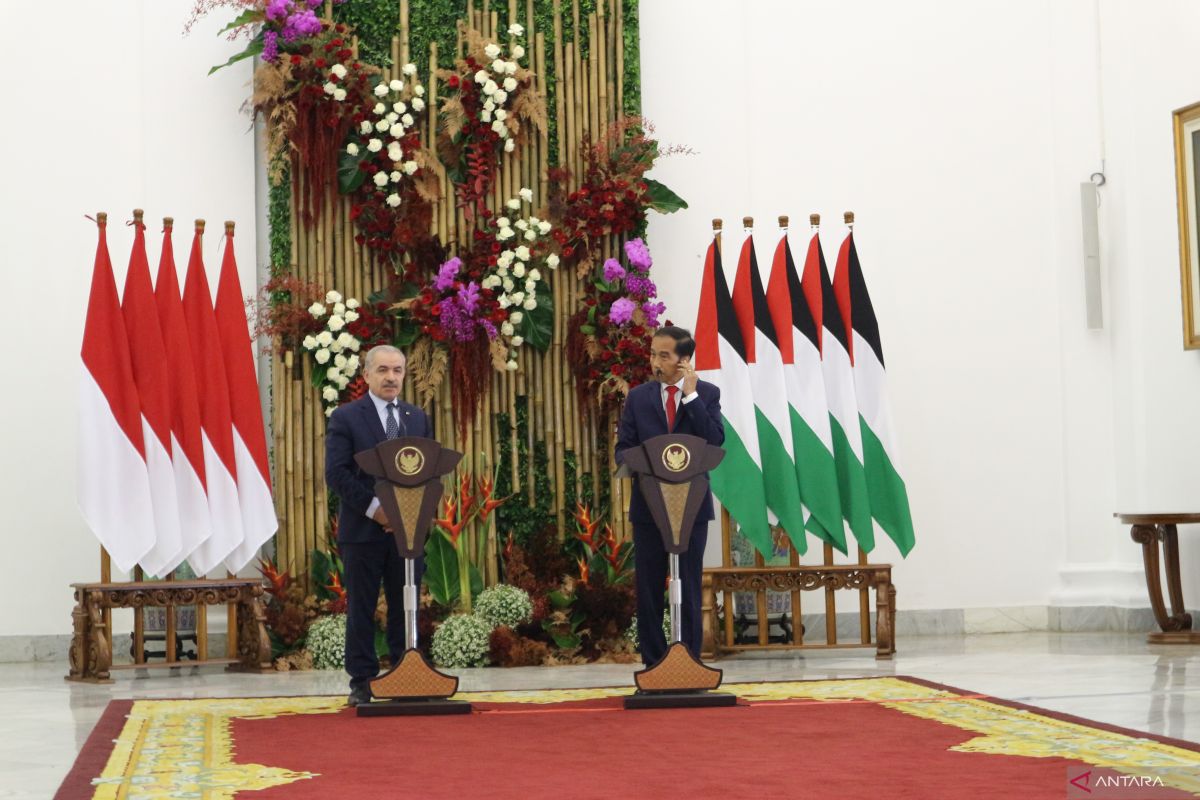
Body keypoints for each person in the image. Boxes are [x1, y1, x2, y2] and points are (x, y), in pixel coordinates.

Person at [325, 345, 432, 706]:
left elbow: (425, 469)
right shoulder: (346, 418)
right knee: (362, 606)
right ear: (366, 374)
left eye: (398, 371)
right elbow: (336, 473)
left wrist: (412, 512)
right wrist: (378, 510)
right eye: (383, 370)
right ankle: (363, 680)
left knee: (407, 603)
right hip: (363, 531)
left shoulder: (416, 418)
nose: (391, 377)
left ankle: (406, 673)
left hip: (407, 533)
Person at [615, 325, 724, 665]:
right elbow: (623, 452)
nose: (655, 362)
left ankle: (689, 662)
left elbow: (714, 440)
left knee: (689, 585)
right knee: (648, 589)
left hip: (691, 509)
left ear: (684, 360)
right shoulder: (638, 398)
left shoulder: (706, 394)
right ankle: (653, 663)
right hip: (649, 508)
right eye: (652, 354)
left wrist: (690, 397)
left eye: (664, 355)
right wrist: (648, 465)